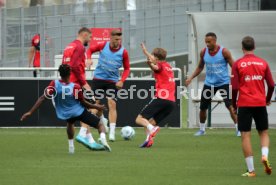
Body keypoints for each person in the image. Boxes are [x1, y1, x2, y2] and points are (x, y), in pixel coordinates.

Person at [21, 64, 112, 153]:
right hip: (79, 112)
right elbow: (83, 103)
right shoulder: (75, 87)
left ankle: (71, 148)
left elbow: (42, 98)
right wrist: (97, 106)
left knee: (70, 123)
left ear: (59, 74)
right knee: (100, 124)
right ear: (70, 73)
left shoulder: (54, 84)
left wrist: (30, 112)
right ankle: (103, 139)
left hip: (65, 113)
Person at [231, 36, 274, 177]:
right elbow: (272, 85)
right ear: (254, 47)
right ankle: (264, 155)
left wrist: (234, 104)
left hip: (244, 103)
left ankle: (251, 171)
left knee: (245, 135)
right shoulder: (263, 63)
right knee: (263, 132)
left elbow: (235, 88)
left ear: (242, 48)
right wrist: (267, 99)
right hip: (260, 103)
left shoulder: (237, 64)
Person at [185, 32, 240, 136]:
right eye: (206, 42)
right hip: (209, 84)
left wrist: (241, 78)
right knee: (203, 107)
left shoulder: (224, 52)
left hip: (223, 83)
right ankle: (202, 130)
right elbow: (200, 67)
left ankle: (238, 129)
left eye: (209, 42)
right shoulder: (203, 52)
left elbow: (235, 67)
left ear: (215, 41)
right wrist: (191, 77)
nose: (207, 44)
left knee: (230, 106)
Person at [62, 27, 107, 150]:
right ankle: (86, 136)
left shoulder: (69, 46)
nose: (90, 40)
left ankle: (75, 146)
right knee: (87, 111)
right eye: (90, 37)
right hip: (75, 85)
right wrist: (84, 84)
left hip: (66, 85)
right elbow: (75, 67)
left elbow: (65, 66)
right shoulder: (80, 47)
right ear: (85, 34)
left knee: (72, 119)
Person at [86, 29, 130, 141]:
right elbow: (89, 50)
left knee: (112, 103)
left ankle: (112, 133)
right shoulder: (103, 45)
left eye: (119, 39)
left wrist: (122, 80)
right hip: (98, 79)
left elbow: (127, 68)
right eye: (116, 39)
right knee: (96, 105)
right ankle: (102, 120)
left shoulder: (123, 52)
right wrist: (89, 59)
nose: (118, 42)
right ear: (110, 38)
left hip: (112, 82)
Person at [135, 43, 176, 148]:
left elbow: (156, 67)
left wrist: (146, 54)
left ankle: (152, 129)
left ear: (157, 58)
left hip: (162, 98)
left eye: (153, 56)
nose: (151, 57)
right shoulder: (168, 66)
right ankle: (148, 141)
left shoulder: (161, 66)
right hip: (171, 102)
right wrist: (149, 60)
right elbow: (154, 66)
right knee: (150, 122)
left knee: (139, 119)